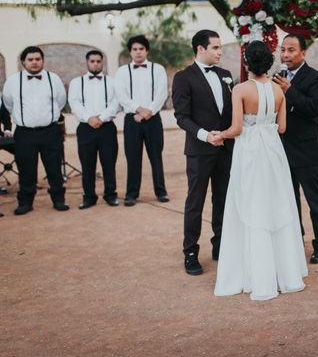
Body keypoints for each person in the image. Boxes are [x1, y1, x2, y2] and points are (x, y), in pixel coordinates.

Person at [214, 40, 307, 300]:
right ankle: (284, 273)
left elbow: (236, 129)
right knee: (276, 203)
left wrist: (218, 135)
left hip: (250, 153)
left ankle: (253, 274)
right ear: (268, 63)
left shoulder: (240, 89)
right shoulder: (279, 91)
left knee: (251, 204)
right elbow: (283, 128)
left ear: (246, 64)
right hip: (273, 153)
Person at [172, 30, 233, 275]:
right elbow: (182, 117)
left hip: (227, 148)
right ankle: (190, 252)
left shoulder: (226, 75)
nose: (220, 52)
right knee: (195, 200)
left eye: (220, 48)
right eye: (215, 48)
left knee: (223, 198)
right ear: (200, 49)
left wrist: (226, 134)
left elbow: (232, 112)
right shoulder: (183, 77)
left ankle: (220, 245)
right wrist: (206, 135)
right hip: (199, 149)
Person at [273, 34, 318, 264]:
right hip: (282, 151)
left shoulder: (316, 78)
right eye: (283, 50)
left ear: (303, 53)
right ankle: (295, 240)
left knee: (316, 201)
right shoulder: (275, 78)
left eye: (291, 50)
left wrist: (290, 90)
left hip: (308, 152)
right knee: (290, 200)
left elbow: (314, 108)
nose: (285, 55)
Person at [2, 46, 68, 214]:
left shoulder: (53, 79)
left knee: (54, 168)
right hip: (25, 133)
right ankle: (25, 202)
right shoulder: (12, 81)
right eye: (30, 59)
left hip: (50, 131)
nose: (34, 62)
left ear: (43, 61)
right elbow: (8, 105)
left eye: (38, 59)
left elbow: (60, 102)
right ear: (23, 62)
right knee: (26, 170)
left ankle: (59, 200)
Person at [114, 35, 169, 206]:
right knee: (133, 157)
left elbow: (162, 93)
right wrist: (139, 110)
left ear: (147, 51)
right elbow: (121, 95)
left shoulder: (158, 69)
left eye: (141, 49)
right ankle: (131, 194)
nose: (138, 52)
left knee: (156, 157)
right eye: (134, 49)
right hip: (133, 120)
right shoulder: (122, 71)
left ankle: (161, 192)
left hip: (153, 119)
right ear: (130, 52)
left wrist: (149, 112)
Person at [68, 50, 120, 209]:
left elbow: (116, 103)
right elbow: (74, 103)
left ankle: (110, 195)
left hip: (107, 128)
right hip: (85, 128)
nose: (96, 64)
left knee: (109, 163)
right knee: (87, 164)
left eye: (98, 61)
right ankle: (89, 197)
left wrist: (102, 118)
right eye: (92, 61)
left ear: (102, 63)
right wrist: (89, 118)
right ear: (87, 62)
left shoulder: (112, 82)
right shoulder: (76, 82)